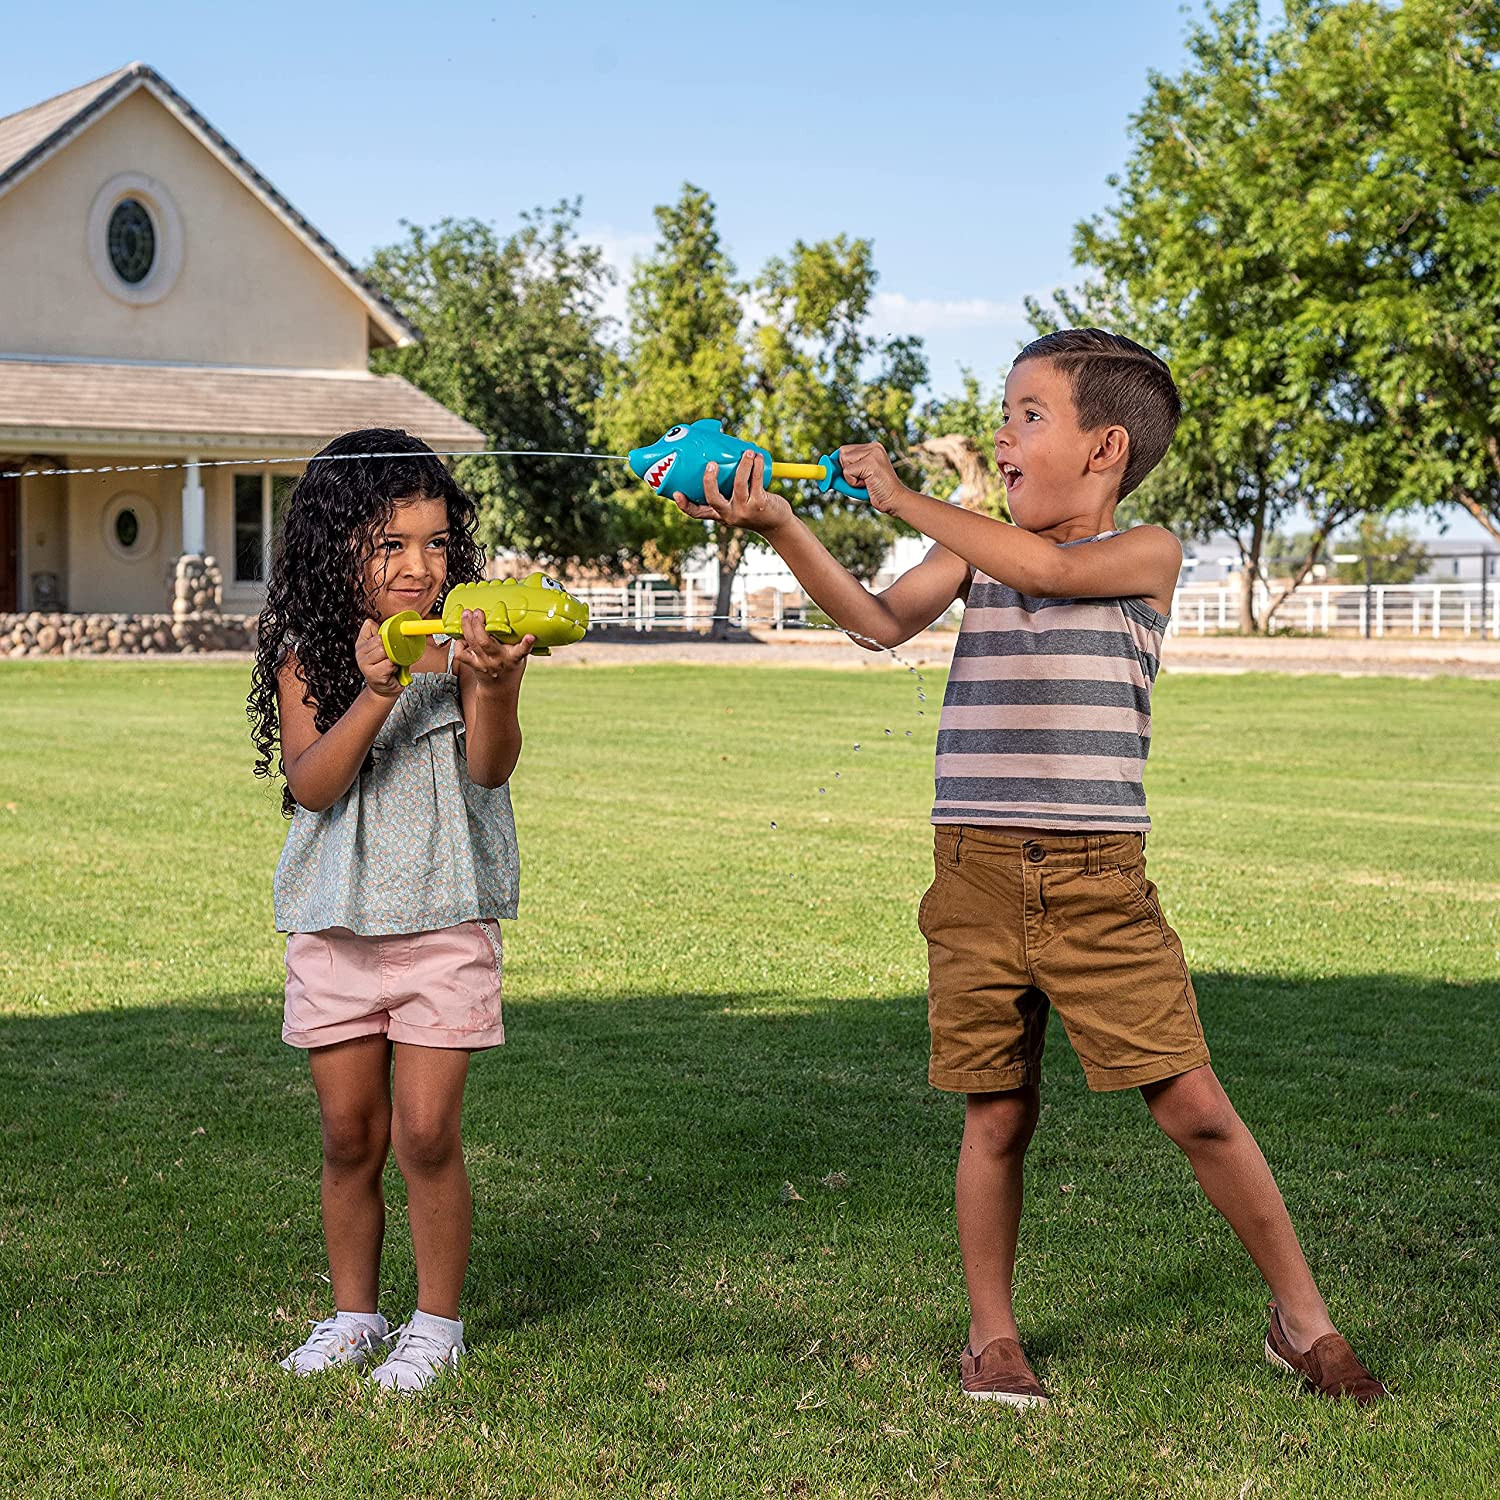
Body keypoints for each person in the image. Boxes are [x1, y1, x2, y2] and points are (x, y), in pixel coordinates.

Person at [672, 329, 1386, 1408]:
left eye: (1028, 416)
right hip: (973, 872)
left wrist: (905, 497)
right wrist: (779, 522)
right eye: (1004, 414)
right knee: (995, 1111)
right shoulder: (972, 549)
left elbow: (1049, 570)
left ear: (1105, 448)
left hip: (1100, 882)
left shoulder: (1148, 550)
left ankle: (1304, 1322)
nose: (1003, 435)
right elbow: (876, 621)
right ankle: (991, 1338)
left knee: (1193, 1104)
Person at [247, 428, 534, 1392]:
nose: (422, 566)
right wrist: (375, 691)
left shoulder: (469, 644)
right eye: (392, 545)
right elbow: (315, 785)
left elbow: (490, 768)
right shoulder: (308, 657)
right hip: (334, 927)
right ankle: (354, 1316)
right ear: (340, 551)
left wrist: (494, 684)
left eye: (438, 543)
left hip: (442, 922)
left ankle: (436, 1325)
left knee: (424, 1135)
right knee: (348, 1138)